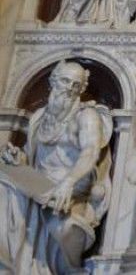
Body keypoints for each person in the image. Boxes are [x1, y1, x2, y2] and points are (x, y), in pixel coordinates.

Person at [0, 61, 113, 273]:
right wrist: (18, 159)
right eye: (65, 81)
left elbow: (90, 151)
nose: (70, 88)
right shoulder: (39, 117)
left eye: (76, 84)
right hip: (39, 185)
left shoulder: (87, 116)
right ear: (53, 82)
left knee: (64, 228)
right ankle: (7, 265)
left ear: (82, 88)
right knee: (4, 181)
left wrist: (68, 182)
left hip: (71, 189)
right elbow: (32, 156)